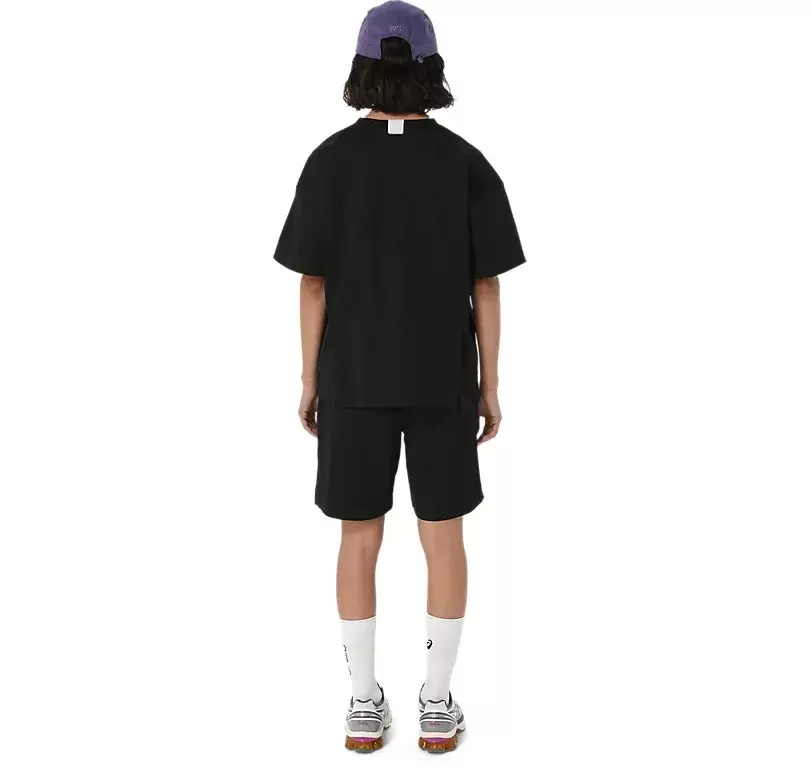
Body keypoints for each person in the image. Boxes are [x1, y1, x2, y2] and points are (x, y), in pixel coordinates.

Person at [273, 0, 525, 753]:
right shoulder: (465, 163)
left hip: (352, 380)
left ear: (361, 68)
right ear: (431, 69)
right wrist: (489, 386)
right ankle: (437, 703)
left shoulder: (329, 161)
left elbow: (312, 283)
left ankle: (361, 703)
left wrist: (309, 378)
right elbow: (486, 286)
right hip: (443, 380)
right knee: (442, 537)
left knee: (358, 538)